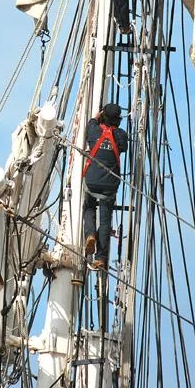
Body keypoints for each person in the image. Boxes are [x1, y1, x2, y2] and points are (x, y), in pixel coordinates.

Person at [82, 102, 129, 270]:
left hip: (92, 181)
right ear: (118, 120)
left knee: (88, 207)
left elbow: (92, 121)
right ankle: (100, 258)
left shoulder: (93, 130)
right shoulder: (121, 136)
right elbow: (123, 147)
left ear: (103, 116)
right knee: (105, 219)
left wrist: (98, 115)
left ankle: (90, 235)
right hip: (109, 184)